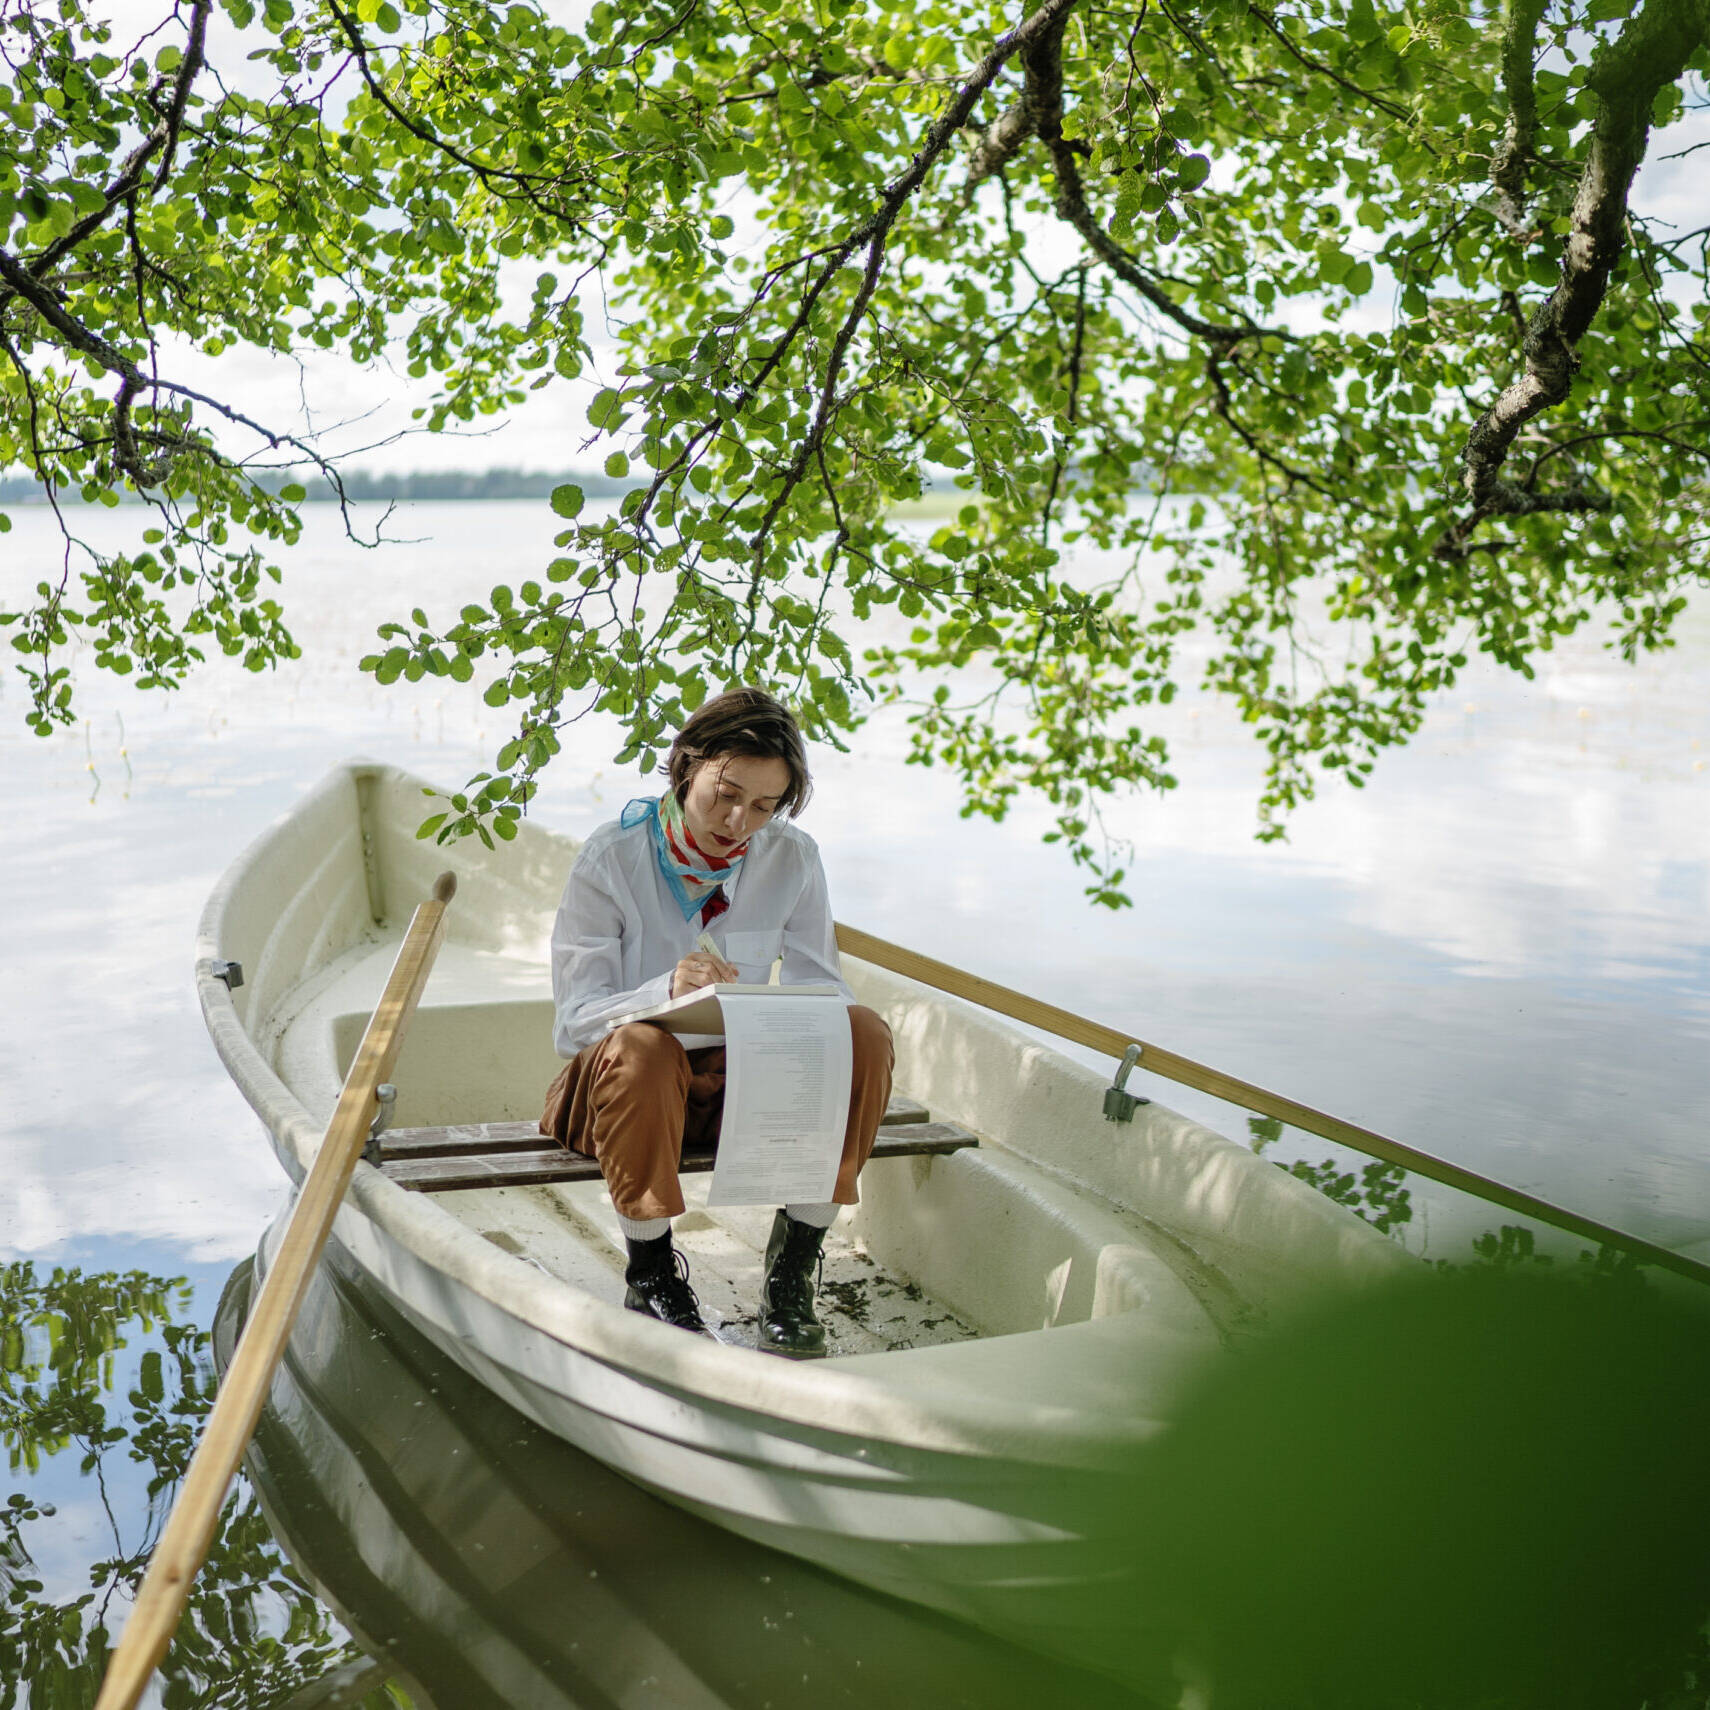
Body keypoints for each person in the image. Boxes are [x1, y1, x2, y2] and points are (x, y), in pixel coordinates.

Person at [540, 686, 895, 1358]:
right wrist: (664, 990)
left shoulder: (793, 858)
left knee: (862, 1033)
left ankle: (791, 1272)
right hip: (621, 1099)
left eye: (764, 806)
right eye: (725, 794)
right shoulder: (610, 857)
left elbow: (822, 989)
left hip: (742, 1097)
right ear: (686, 766)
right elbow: (575, 1024)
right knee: (644, 1048)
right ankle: (651, 1272)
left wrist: (775, 1019)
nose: (738, 821)